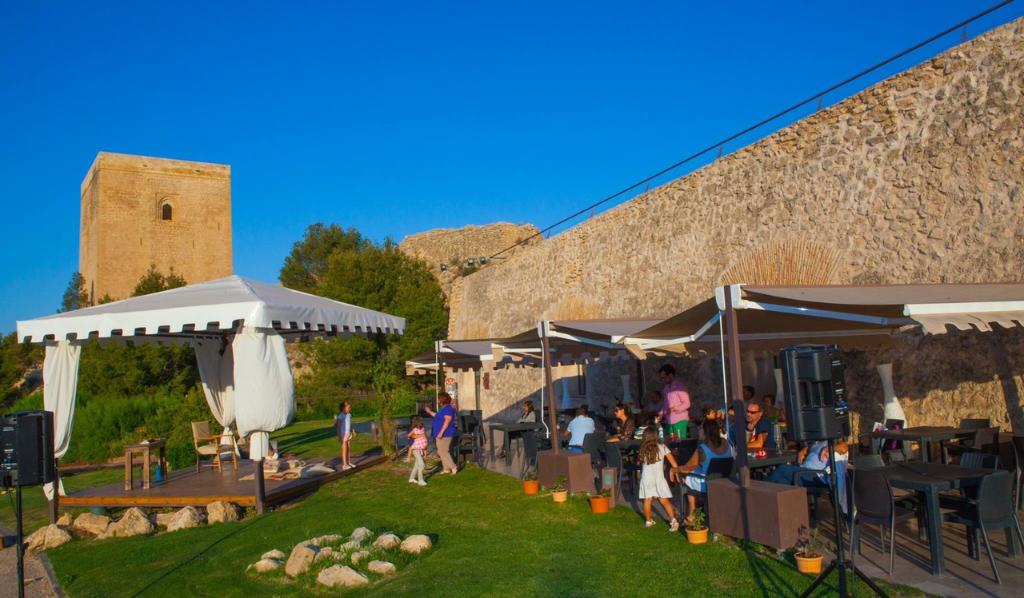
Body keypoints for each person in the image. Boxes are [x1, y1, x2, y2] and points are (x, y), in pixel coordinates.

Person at [675, 418, 733, 523]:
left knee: (686, 477)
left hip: (707, 482)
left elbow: (687, 467)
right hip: (723, 480)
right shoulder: (726, 443)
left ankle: (692, 513)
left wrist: (675, 470)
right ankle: (700, 506)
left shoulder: (702, 449)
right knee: (693, 473)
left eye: (701, 428)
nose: (699, 430)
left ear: (705, 432)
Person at [637, 427, 681, 531]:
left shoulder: (642, 449)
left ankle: (648, 521)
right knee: (664, 501)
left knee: (647, 500)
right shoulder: (663, 447)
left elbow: (639, 462)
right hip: (659, 478)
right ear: (656, 436)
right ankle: (673, 521)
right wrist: (676, 473)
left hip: (646, 479)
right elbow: (674, 463)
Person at [767, 439, 849, 487]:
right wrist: (804, 451)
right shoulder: (819, 440)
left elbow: (844, 448)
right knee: (781, 482)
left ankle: (758, 493)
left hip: (817, 476)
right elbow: (811, 449)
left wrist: (828, 449)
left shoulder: (834, 441)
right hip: (803, 470)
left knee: (782, 469)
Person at [425, 393, 459, 474]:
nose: (438, 400)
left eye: (439, 398)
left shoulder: (448, 408)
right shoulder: (443, 408)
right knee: (440, 451)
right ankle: (446, 468)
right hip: (439, 433)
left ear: (442, 399)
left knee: (444, 451)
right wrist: (429, 412)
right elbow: (437, 416)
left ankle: (453, 466)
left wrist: (441, 433)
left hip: (445, 434)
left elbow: (447, 421)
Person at [656, 364, 691, 440]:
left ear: (671, 375)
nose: (662, 380)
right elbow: (666, 404)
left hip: (680, 421)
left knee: (680, 443)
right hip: (669, 421)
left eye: (664, 377)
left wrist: (674, 409)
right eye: (661, 378)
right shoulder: (666, 388)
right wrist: (661, 414)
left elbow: (687, 404)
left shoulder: (680, 387)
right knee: (671, 444)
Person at [406, 416, 429, 486]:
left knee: (417, 465)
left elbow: (425, 437)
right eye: (420, 423)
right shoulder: (413, 429)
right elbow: (411, 436)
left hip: (421, 448)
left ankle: (411, 478)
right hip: (415, 449)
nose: (421, 424)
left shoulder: (422, 429)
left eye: (421, 423)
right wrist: (420, 435)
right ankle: (420, 480)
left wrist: (426, 446)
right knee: (421, 465)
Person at [336, 401, 355, 470]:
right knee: (344, 449)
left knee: (348, 448)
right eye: (348, 407)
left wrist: (353, 431)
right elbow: (338, 426)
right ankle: (344, 465)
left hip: (348, 433)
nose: (350, 408)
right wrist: (339, 436)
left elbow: (350, 423)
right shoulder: (341, 416)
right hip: (343, 434)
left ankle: (348, 462)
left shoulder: (349, 415)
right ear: (343, 408)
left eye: (350, 407)